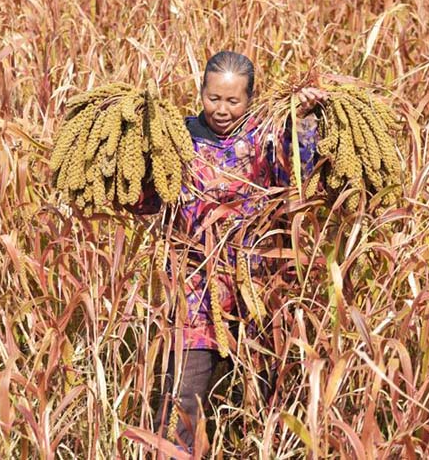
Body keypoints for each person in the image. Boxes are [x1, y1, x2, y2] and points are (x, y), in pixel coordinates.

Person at [129, 51, 325, 450]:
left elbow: (305, 176)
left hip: (258, 292)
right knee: (180, 406)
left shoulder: (268, 139)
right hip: (194, 293)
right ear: (200, 92)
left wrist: (307, 118)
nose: (221, 110)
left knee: (270, 400)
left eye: (233, 101)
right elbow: (142, 200)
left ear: (251, 99)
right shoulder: (177, 139)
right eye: (213, 98)